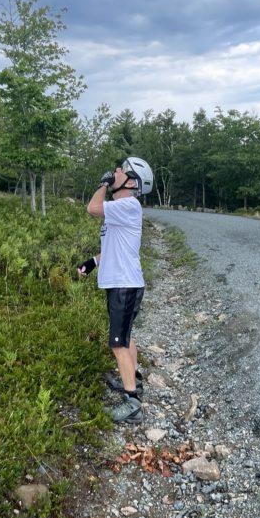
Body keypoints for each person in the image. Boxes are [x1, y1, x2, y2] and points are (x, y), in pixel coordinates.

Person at [77, 157, 154, 423]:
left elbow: (92, 208)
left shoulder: (129, 205)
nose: (116, 171)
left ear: (131, 182)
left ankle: (132, 402)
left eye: (121, 170)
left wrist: (103, 183)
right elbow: (113, 245)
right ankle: (135, 378)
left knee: (118, 343)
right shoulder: (121, 208)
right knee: (125, 335)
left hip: (125, 285)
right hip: (120, 282)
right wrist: (93, 262)